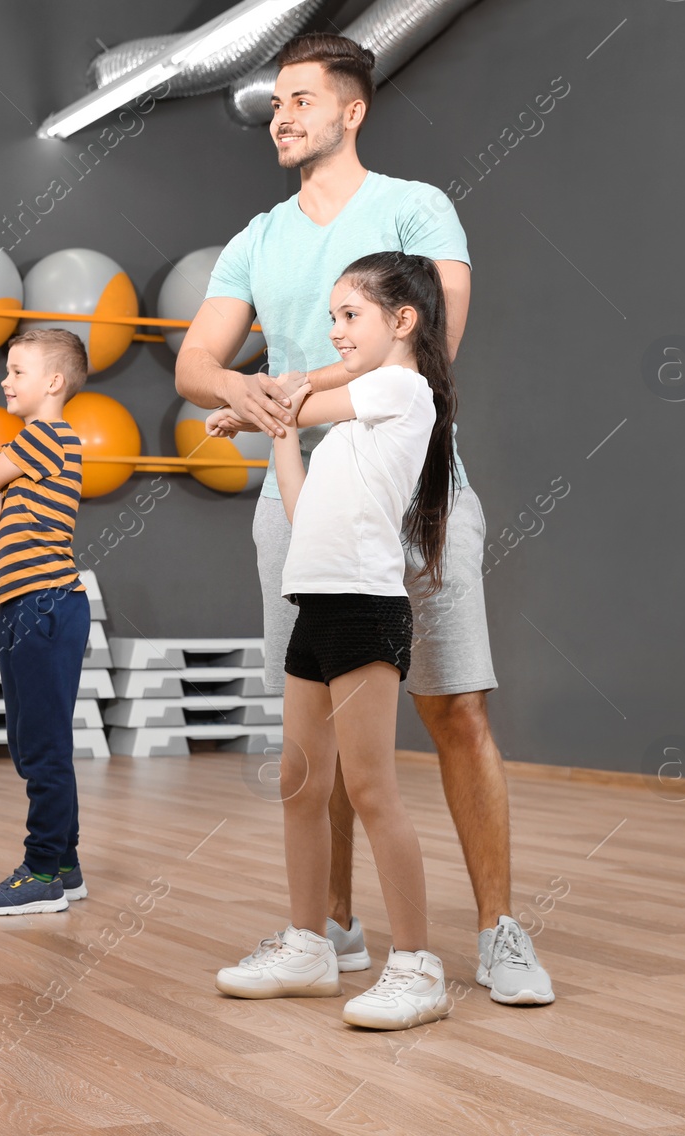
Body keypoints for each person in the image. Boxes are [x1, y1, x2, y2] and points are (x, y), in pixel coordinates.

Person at [174, 32, 552, 1005]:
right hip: (302, 514)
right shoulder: (257, 236)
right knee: (314, 736)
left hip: (416, 496)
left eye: (300, 99)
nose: (281, 115)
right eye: (274, 103)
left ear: (352, 110)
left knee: (456, 707)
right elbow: (195, 364)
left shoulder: (414, 207)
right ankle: (329, 927)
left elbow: (429, 352)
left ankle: (499, 930)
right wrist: (245, 393)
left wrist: (291, 390)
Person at [213, 253, 453, 1029]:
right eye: (333, 318)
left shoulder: (400, 387)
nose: (337, 331)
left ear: (403, 321)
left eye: (351, 315)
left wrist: (260, 400)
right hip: (317, 608)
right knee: (298, 780)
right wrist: (272, 427)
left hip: (363, 611)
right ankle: (311, 946)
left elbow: (306, 392)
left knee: (373, 788)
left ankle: (417, 966)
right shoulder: (356, 424)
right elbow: (300, 502)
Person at [0, 328, 89, 915]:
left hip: (43, 603)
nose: (5, 382)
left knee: (41, 745)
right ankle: (65, 865)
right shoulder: (33, 446)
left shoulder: (45, 437)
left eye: (17, 371)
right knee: (36, 741)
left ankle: (40, 872)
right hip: (23, 603)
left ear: (53, 382)